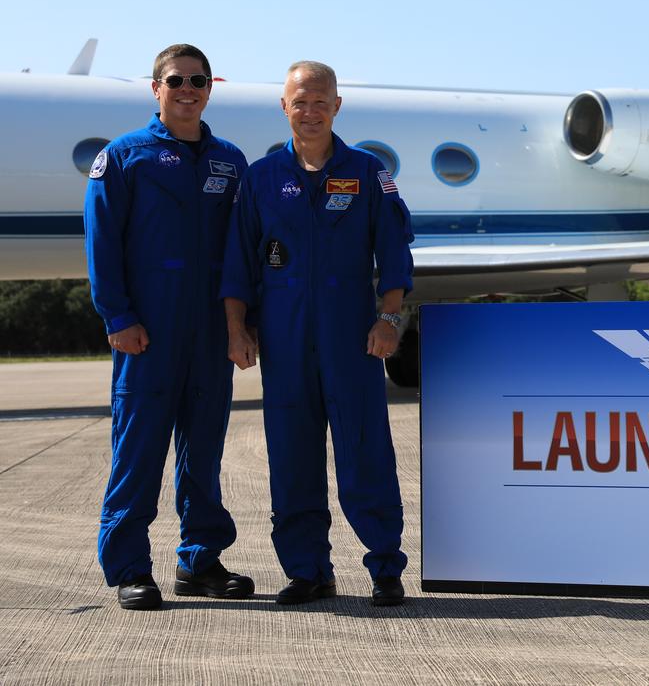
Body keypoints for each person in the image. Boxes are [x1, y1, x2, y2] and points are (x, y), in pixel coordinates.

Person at [220, 60, 413, 607]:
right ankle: (308, 571)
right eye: (299, 101)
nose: (309, 111)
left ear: (336, 106)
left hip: (352, 338)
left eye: (320, 101)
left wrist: (389, 318)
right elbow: (238, 262)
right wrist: (238, 329)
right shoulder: (261, 178)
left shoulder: (368, 173)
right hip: (284, 340)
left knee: (365, 451)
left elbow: (395, 253)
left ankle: (384, 567)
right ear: (285, 106)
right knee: (292, 457)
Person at [84, 44, 254, 610]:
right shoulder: (124, 157)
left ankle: (200, 561)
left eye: (198, 80)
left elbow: (242, 249)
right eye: (176, 79)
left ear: (210, 89)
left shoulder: (231, 161)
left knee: (202, 451)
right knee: (138, 449)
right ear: (155, 88)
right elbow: (102, 244)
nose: (188, 89)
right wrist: (119, 316)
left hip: (210, 329)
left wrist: (240, 324)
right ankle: (130, 566)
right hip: (148, 329)